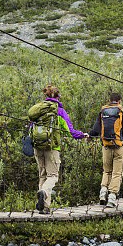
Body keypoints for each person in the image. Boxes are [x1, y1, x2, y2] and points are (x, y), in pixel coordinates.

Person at [28, 85, 88, 214]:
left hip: (37, 146)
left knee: (42, 176)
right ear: (57, 96)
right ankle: (44, 194)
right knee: (53, 176)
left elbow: (30, 129)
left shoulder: (38, 110)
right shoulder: (59, 110)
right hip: (52, 147)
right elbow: (70, 130)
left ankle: (44, 207)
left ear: (45, 96)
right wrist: (82, 135)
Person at [91, 92, 123, 208]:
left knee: (106, 171)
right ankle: (112, 197)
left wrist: (89, 135)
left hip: (106, 146)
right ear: (119, 101)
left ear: (110, 100)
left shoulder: (102, 111)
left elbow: (95, 129)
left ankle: (103, 192)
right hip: (119, 147)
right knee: (117, 173)